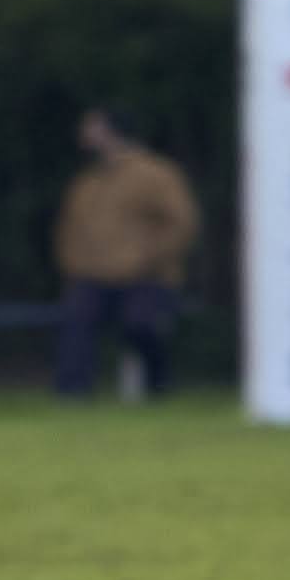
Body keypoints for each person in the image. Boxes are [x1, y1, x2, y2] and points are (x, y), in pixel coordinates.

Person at [53, 106, 201, 397]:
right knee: (75, 320)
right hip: (93, 276)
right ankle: (72, 394)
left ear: (111, 131)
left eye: (92, 127)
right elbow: (69, 228)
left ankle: (158, 385)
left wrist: (149, 258)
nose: (84, 134)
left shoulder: (155, 174)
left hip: (147, 277)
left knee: (141, 324)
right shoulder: (87, 182)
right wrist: (73, 263)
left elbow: (182, 223)